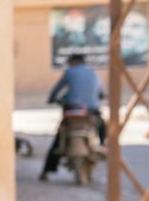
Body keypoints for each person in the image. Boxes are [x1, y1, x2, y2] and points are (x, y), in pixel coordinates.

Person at [41, 51, 107, 181]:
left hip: (72, 110)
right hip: (91, 111)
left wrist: (52, 99)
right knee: (102, 127)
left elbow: (57, 90)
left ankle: (47, 171)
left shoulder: (69, 72)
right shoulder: (94, 73)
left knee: (58, 140)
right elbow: (101, 92)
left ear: (73, 62)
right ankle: (103, 145)